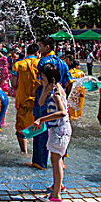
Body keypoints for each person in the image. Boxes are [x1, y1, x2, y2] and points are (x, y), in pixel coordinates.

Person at [30, 36, 72, 170]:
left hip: (45, 101)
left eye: (40, 46)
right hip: (59, 100)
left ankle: (39, 162)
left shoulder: (42, 62)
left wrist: (35, 93)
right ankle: (62, 162)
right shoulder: (63, 62)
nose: (39, 49)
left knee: (41, 131)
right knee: (59, 131)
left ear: (47, 47)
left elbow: (38, 84)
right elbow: (68, 83)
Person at [32, 63, 72, 202]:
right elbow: (41, 102)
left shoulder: (56, 93)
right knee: (57, 159)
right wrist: (45, 88)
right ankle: (58, 186)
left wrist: (42, 119)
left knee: (56, 160)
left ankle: (56, 195)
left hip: (60, 130)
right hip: (57, 129)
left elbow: (62, 112)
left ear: (51, 78)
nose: (41, 80)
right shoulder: (51, 89)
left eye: (42, 78)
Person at [10, 43, 39, 153]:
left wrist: (22, 85)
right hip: (38, 100)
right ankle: (37, 152)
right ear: (37, 53)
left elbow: (13, 83)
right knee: (38, 125)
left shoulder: (18, 64)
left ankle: (24, 151)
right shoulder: (40, 63)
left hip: (22, 100)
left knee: (21, 127)